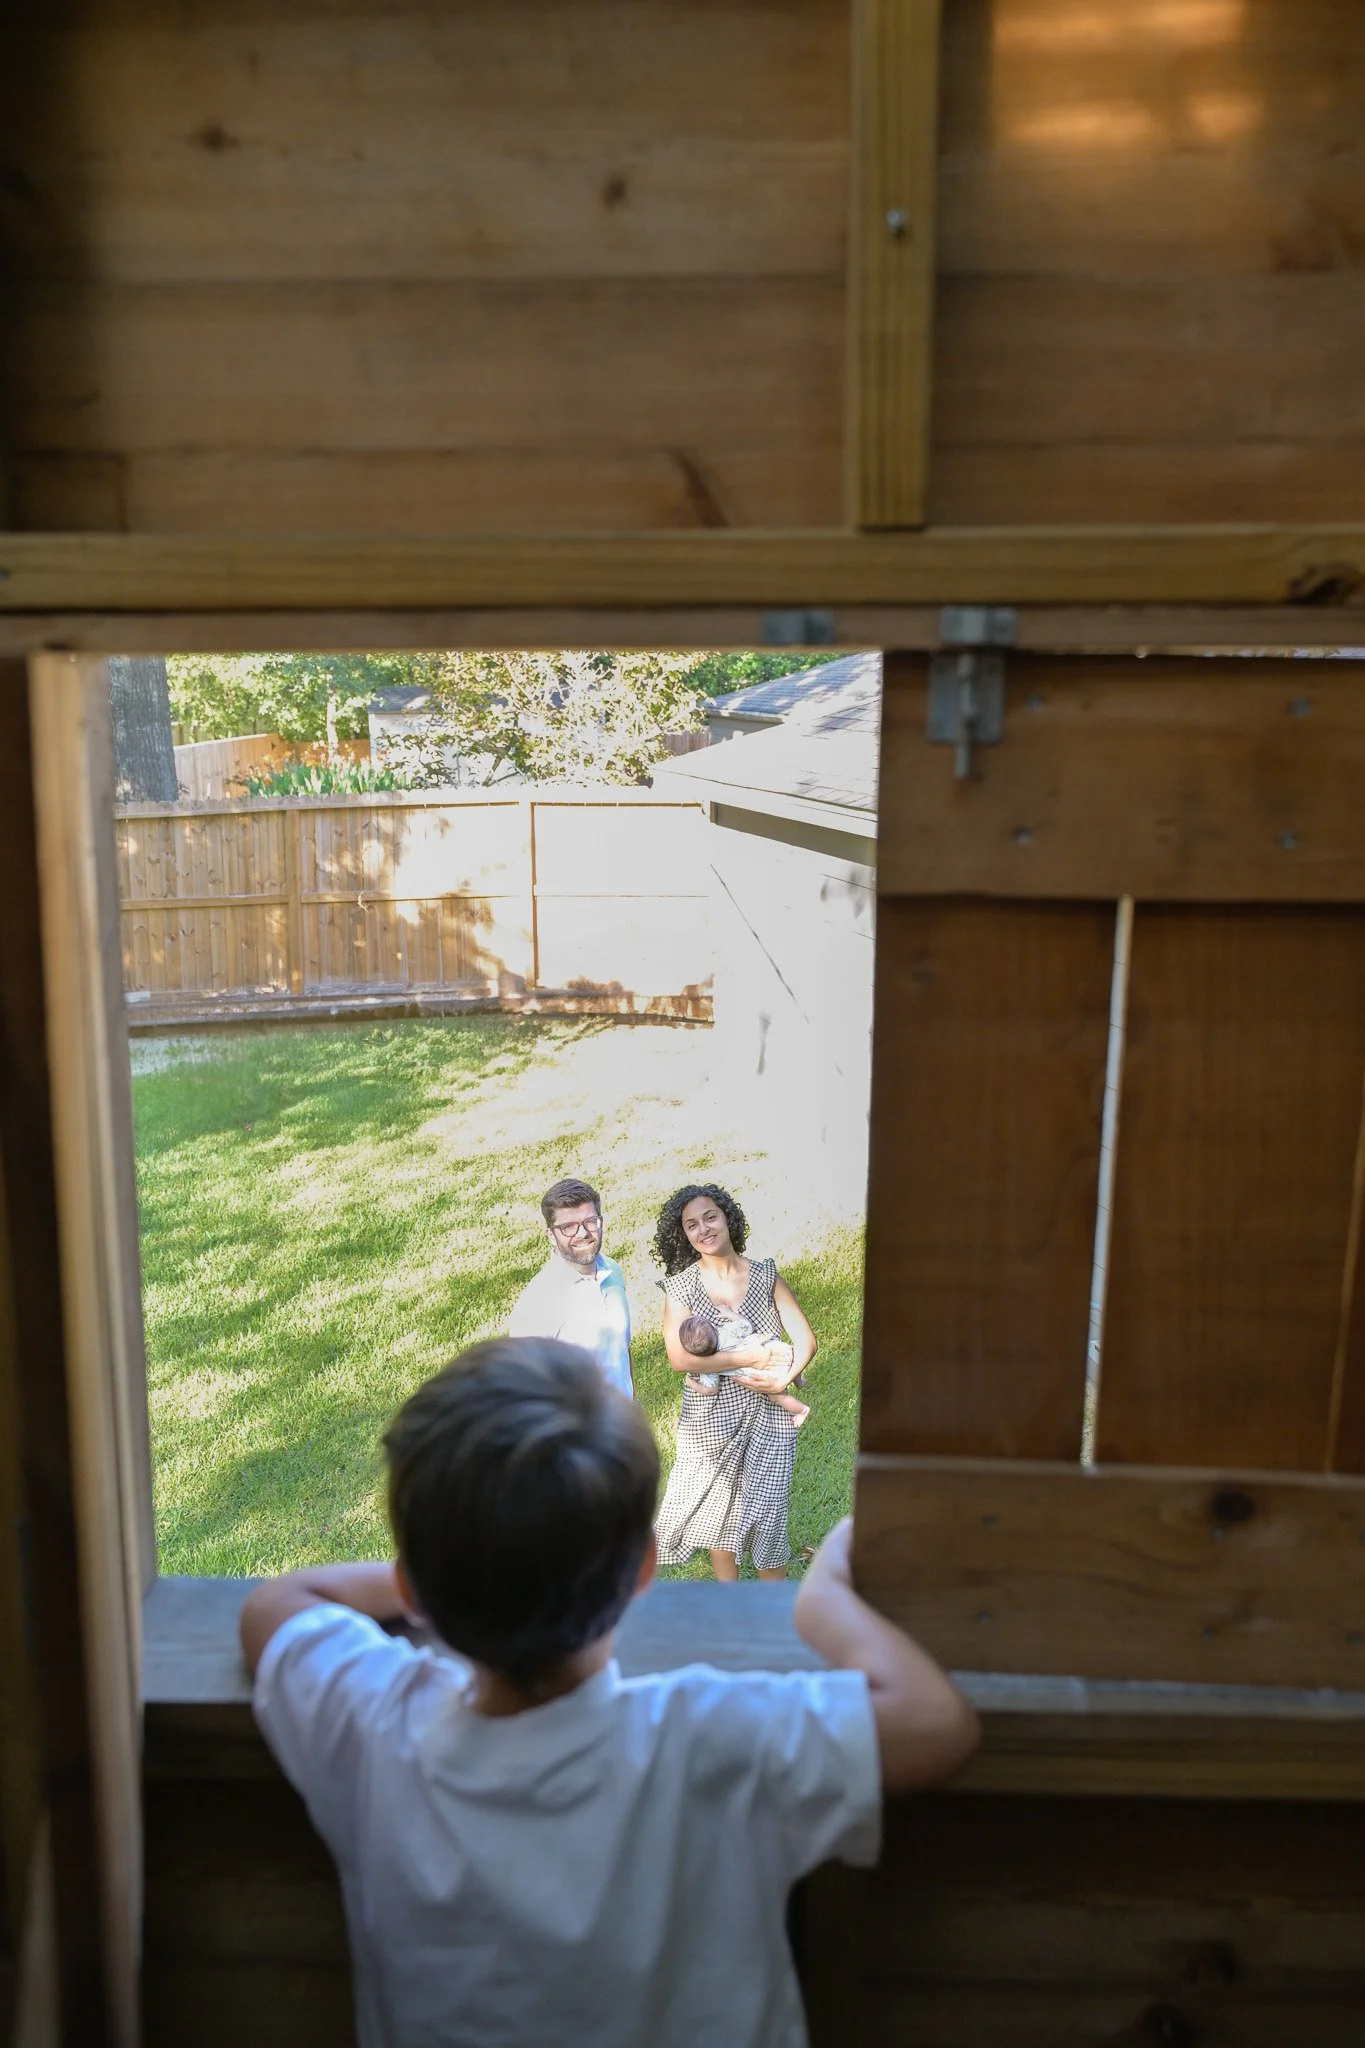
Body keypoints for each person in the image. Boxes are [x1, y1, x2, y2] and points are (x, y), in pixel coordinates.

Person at [239, 1337, 979, 2048]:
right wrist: (823, 1605)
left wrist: (450, 1576)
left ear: (412, 1587)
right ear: (643, 1570)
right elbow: (935, 1725)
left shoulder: (374, 1724)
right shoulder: (707, 1739)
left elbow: (278, 1605)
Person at [653, 1183, 814, 1583]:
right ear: (684, 1235)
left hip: (770, 1420)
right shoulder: (682, 1288)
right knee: (720, 1514)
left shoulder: (765, 1275)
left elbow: (806, 1341)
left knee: (770, 1515)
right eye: (691, 1225)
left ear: (728, 1218)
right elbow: (679, 1357)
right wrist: (746, 1358)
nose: (704, 1229)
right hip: (711, 1420)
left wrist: (779, 1379)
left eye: (710, 1217)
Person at [508, 1175, 632, 1397]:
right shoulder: (537, 1304)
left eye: (590, 1222)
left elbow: (622, 1349)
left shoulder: (612, 1271)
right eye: (568, 1227)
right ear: (551, 1235)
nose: (582, 1233)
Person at [679, 1311, 811, 1428]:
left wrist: (691, 1383)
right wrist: (728, 1313)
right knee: (790, 1360)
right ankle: (798, 1380)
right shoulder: (727, 1332)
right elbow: (746, 1324)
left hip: (769, 1374)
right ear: (713, 1326)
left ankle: (802, 1410)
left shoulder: (709, 1367)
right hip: (778, 1351)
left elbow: (711, 1389)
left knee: (779, 1397)